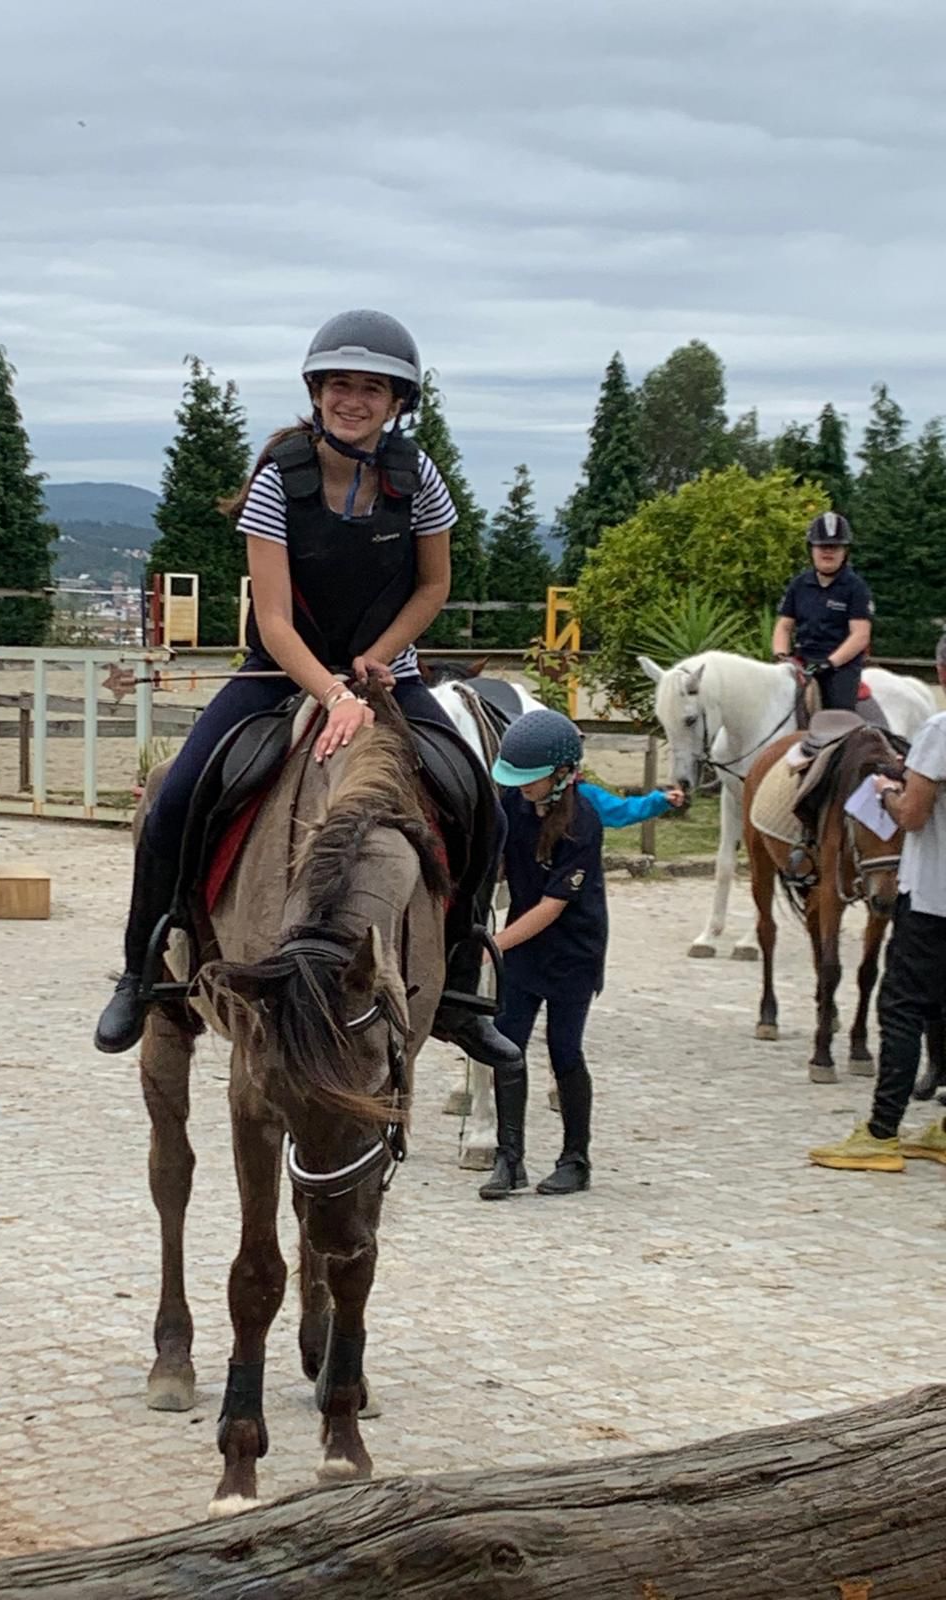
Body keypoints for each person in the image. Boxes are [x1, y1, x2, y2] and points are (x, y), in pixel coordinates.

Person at [95, 310, 520, 1080]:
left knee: (479, 804)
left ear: (396, 402)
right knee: (176, 798)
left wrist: (376, 664)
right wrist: (331, 691)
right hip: (280, 671)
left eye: (371, 388)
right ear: (317, 391)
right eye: (340, 385)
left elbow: (434, 585)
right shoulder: (278, 478)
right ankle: (145, 971)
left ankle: (458, 986)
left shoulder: (417, 477)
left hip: (388, 672)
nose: (353, 400)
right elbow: (275, 616)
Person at [478, 708, 685, 1200]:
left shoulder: (584, 822)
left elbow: (551, 907)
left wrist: (490, 947)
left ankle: (576, 1159)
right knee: (506, 1047)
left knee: (563, 1050)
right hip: (524, 950)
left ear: (563, 773)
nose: (522, 787)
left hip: (573, 951)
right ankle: (509, 1159)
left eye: (531, 780)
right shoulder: (512, 802)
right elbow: (502, 865)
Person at [808, 628, 946, 1173]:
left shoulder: (939, 730)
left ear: (941, 672)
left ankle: (882, 1131)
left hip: (933, 897)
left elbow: (912, 816)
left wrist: (890, 791)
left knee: (901, 1010)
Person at [772, 512, 874, 713]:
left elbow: (860, 635)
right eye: (822, 546)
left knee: (839, 716)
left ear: (845, 551)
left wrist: (829, 663)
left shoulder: (856, 587)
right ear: (811, 549)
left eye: (835, 546)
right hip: (802, 662)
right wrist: (782, 656)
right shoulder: (798, 585)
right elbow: (784, 627)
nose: (828, 551)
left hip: (840, 667)